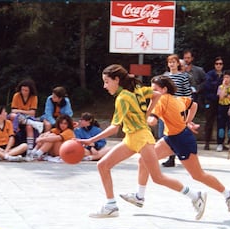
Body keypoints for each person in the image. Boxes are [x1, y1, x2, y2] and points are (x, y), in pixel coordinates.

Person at [78, 64, 207, 220]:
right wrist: (146, 114)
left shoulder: (123, 98)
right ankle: (111, 205)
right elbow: (156, 95)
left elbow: (114, 128)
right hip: (132, 138)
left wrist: (90, 140)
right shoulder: (136, 90)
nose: (105, 86)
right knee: (103, 165)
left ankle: (195, 195)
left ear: (117, 80)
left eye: (107, 81)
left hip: (141, 138)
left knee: (158, 178)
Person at [121, 75, 230, 216]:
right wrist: (188, 121)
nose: (153, 92)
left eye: (155, 89)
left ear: (164, 89)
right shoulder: (178, 99)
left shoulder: (161, 100)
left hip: (182, 140)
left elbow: (152, 121)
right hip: (170, 138)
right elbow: (193, 105)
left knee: (198, 175)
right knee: (143, 160)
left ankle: (228, 194)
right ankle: (139, 197)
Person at [161, 54, 193, 167]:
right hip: (165, 107)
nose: (171, 64)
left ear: (178, 63)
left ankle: (174, 157)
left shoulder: (183, 77)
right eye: (170, 62)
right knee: (166, 132)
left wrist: (186, 107)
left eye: (174, 62)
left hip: (178, 107)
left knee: (176, 133)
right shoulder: (164, 77)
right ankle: (171, 156)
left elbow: (188, 93)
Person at [9, 79, 44, 154]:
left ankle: (30, 150)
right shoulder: (16, 95)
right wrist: (23, 112)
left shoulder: (34, 97)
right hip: (18, 117)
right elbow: (13, 111)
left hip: (28, 117)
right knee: (13, 116)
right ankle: (30, 122)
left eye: (26, 90)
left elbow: (32, 113)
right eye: (22, 90)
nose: (24, 92)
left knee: (29, 126)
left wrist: (20, 111)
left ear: (30, 90)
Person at [202, 56, 224, 150]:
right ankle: (207, 142)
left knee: (221, 122)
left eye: (220, 64)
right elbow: (208, 86)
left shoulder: (224, 74)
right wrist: (219, 85)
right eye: (217, 64)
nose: (219, 65)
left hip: (222, 102)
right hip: (210, 101)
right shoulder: (210, 74)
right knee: (209, 122)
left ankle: (221, 143)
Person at [216, 70, 230, 152]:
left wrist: (227, 95)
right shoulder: (220, 87)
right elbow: (221, 97)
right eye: (225, 77)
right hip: (221, 107)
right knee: (221, 127)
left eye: (228, 77)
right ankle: (220, 143)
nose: (226, 79)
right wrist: (224, 88)